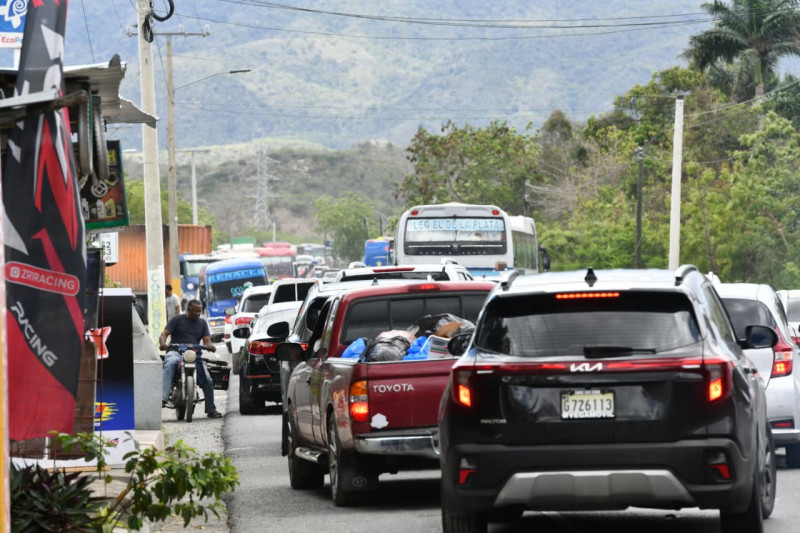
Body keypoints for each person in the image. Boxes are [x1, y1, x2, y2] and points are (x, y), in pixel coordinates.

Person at [159, 299, 222, 418]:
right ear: (188, 310)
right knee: (170, 362)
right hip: (175, 352)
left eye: (200, 311)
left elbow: (207, 340)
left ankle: (211, 409)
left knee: (207, 380)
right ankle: (163, 398)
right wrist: (163, 343)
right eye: (195, 311)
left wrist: (210, 346)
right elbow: (164, 334)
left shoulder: (202, 323)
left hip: (193, 354)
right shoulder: (177, 319)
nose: (198, 314)